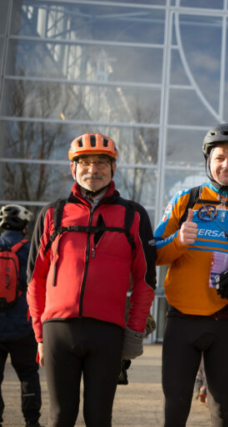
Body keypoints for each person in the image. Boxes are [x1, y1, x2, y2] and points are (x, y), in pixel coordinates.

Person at [27, 133, 157, 427]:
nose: (93, 169)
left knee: (99, 418)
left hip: (108, 333)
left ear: (113, 168)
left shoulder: (133, 215)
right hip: (58, 331)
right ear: (73, 168)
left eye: (101, 162)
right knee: (60, 417)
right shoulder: (52, 214)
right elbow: (35, 279)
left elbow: (145, 280)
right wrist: (39, 335)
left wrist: (135, 332)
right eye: (85, 162)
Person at [154, 124, 228, 426]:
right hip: (182, 320)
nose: (226, 164)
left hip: (227, 322)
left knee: (222, 411)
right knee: (174, 411)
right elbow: (153, 253)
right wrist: (178, 241)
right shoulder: (186, 199)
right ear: (208, 161)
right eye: (219, 157)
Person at [0, 204, 41, 427]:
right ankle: (31, 421)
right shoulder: (29, 250)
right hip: (23, 327)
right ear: (24, 226)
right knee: (28, 375)